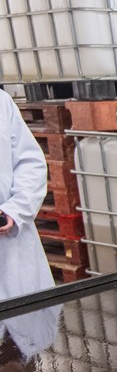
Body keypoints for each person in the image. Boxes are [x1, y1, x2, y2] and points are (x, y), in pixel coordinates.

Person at [0, 88, 55, 304]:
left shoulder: (2, 102)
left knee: (25, 327)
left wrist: (14, 210)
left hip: (13, 247)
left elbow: (30, 161)